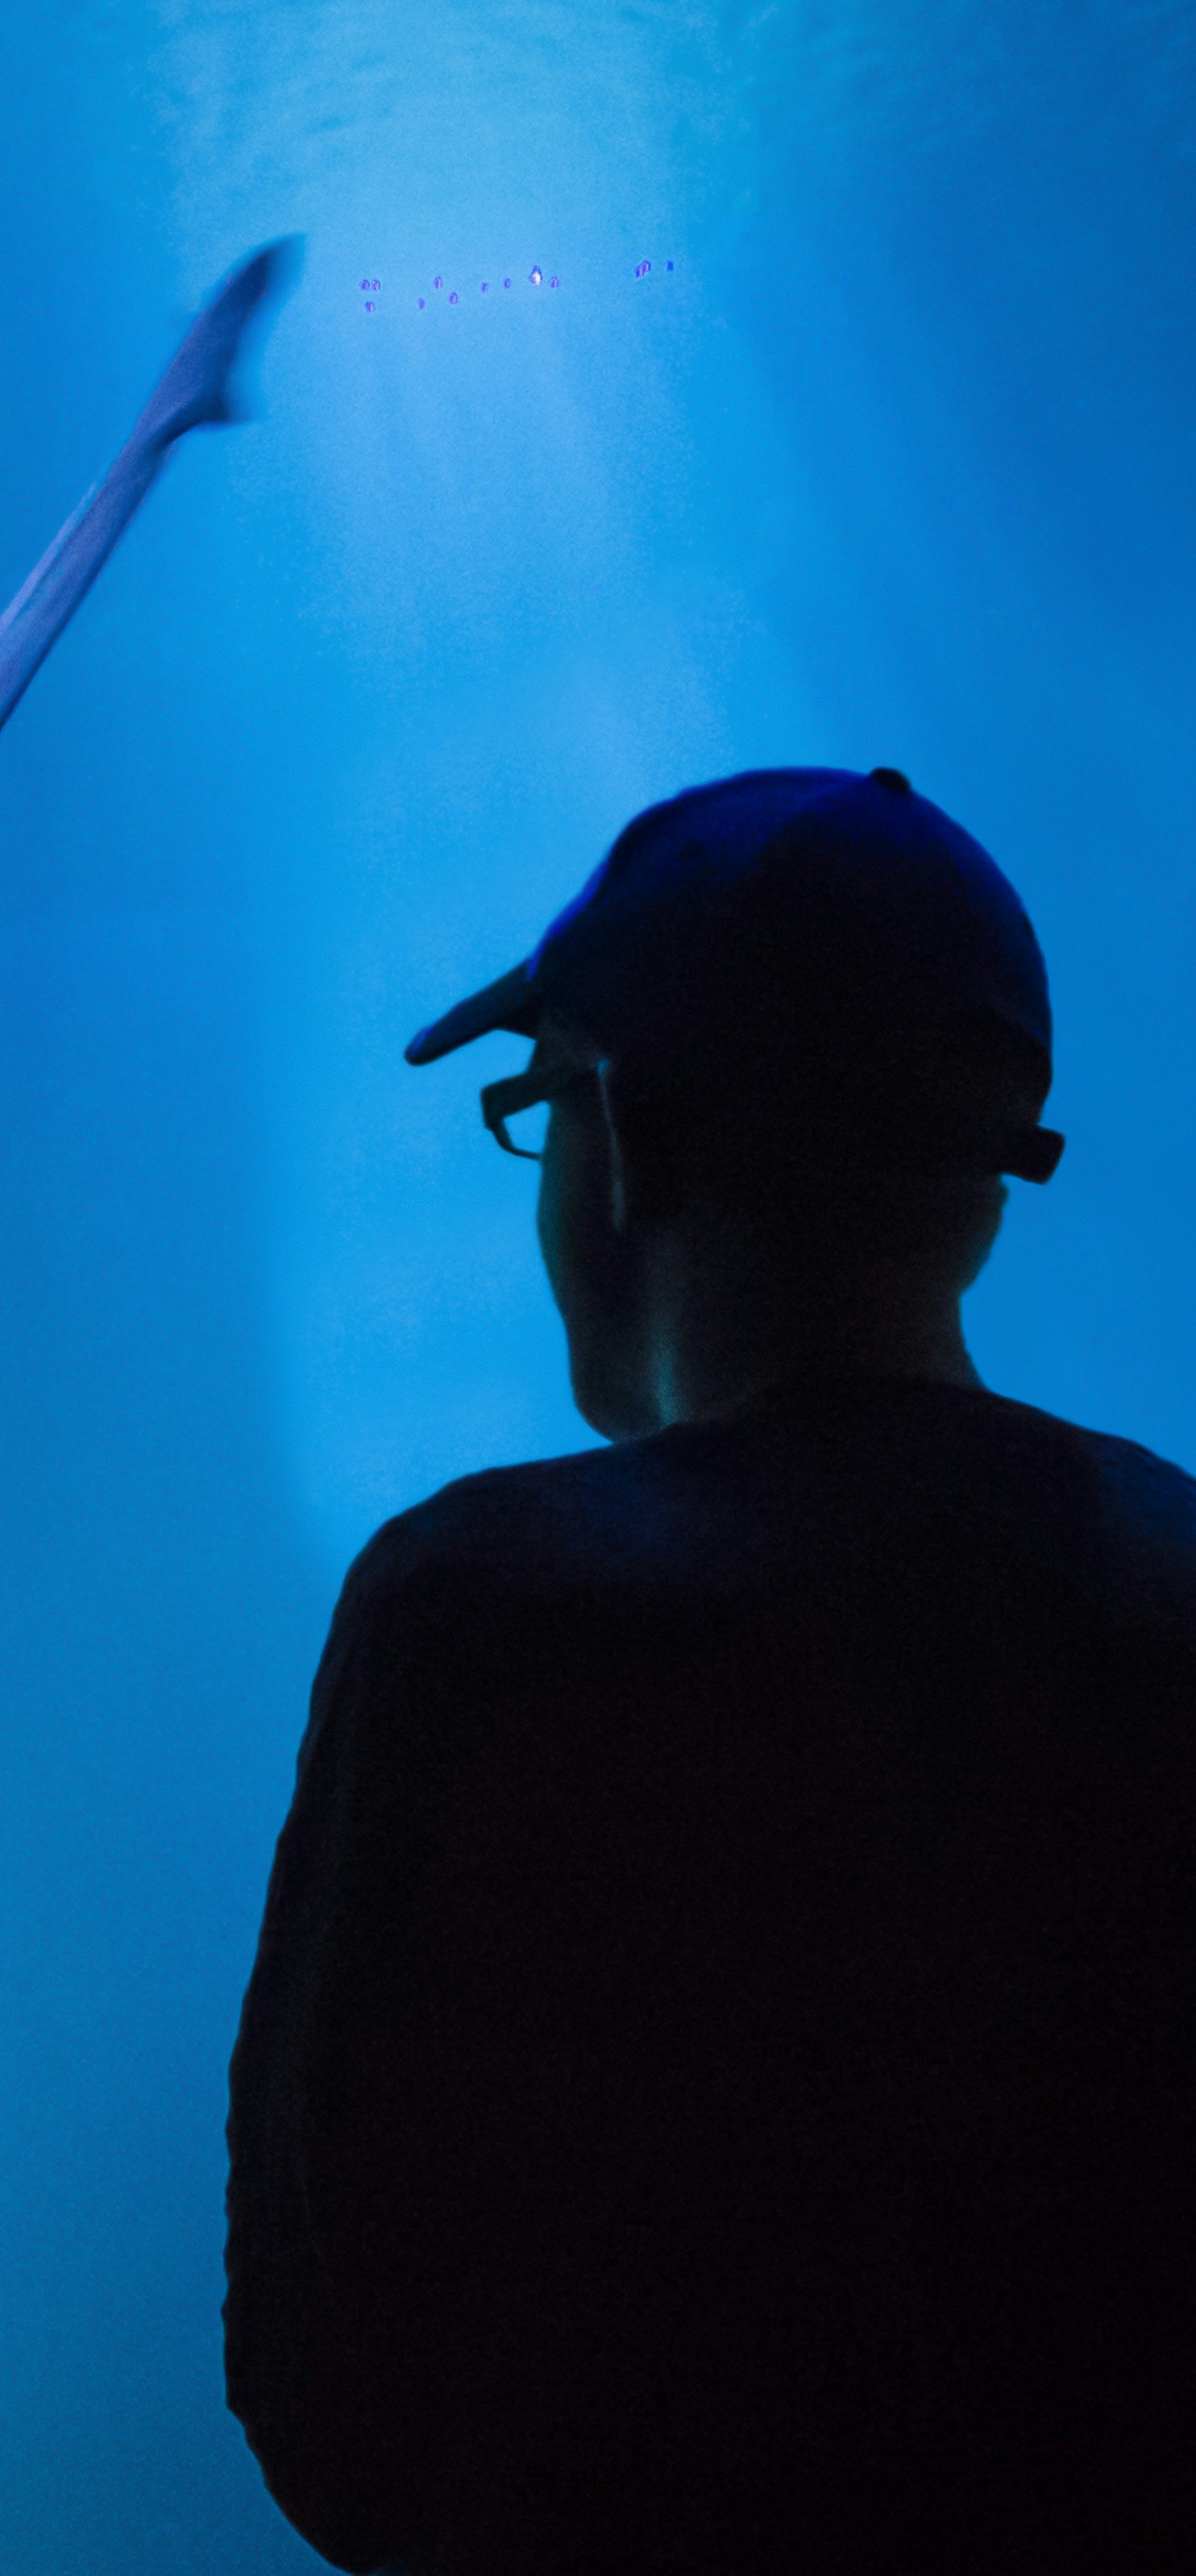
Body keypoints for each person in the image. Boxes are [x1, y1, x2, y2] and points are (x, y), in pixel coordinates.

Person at [227, 769, 1196, 2574]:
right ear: (987, 1181)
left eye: (535, 1108)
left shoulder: (482, 1609)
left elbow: (330, 2373)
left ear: (627, 1135)